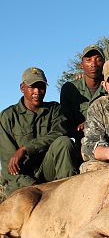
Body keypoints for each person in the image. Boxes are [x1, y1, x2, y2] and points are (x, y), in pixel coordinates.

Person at [0, 67, 78, 196]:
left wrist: (25, 149)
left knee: (64, 142)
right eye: (32, 86)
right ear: (22, 88)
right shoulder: (7, 116)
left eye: (41, 86)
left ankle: (68, 193)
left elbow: (59, 133)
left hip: (48, 170)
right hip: (23, 179)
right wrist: (34, 186)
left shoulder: (55, 109)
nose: (37, 91)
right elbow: (7, 161)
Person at [60, 44, 106, 150]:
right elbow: (65, 124)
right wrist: (78, 129)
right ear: (82, 64)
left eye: (98, 60)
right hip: (80, 145)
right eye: (88, 60)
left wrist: (90, 124)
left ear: (104, 63)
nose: (93, 64)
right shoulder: (70, 88)